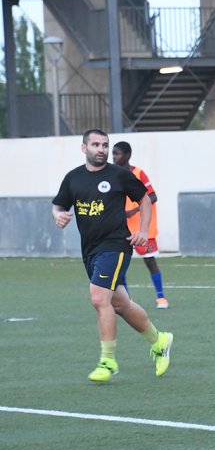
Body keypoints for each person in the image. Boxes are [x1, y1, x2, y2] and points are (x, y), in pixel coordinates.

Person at [51, 129, 173, 383]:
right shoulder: (73, 178)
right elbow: (58, 204)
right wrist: (58, 215)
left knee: (98, 298)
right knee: (120, 304)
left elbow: (146, 200)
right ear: (84, 148)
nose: (102, 149)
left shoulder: (120, 175)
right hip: (90, 251)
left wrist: (142, 230)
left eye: (105, 145)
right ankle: (159, 340)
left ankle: (107, 361)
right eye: (95, 145)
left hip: (116, 246)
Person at [112, 141, 169, 309]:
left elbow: (152, 197)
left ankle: (161, 297)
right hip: (122, 228)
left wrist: (134, 210)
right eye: (113, 154)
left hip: (143, 228)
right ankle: (127, 300)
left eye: (117, 153)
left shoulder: (138, 173)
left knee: (150, 261)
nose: (114, 157)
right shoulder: (112, 174)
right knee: (121, 264)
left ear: (127, 155)